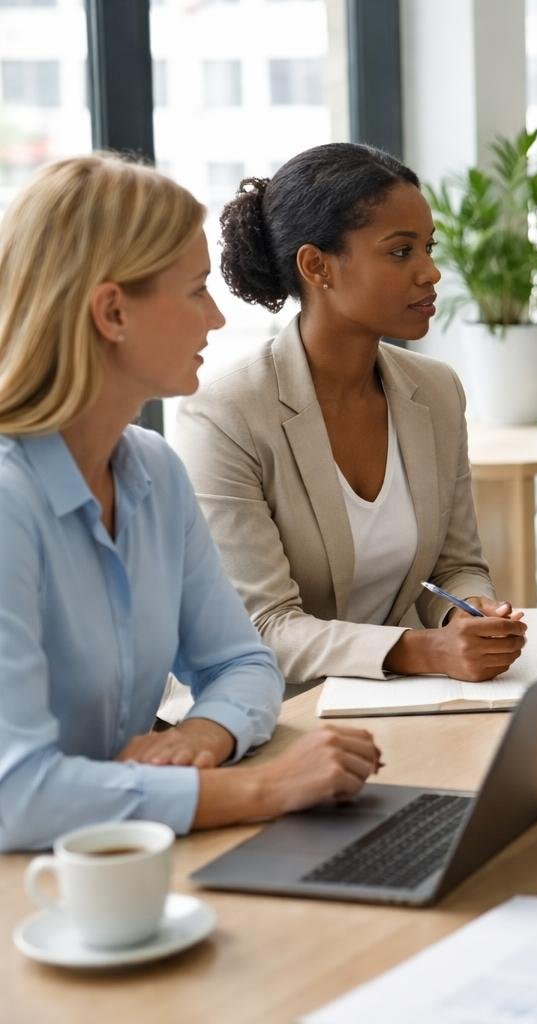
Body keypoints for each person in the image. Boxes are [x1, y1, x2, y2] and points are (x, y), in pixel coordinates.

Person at [0, 155, 382, 851]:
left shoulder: (153, 471)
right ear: (113, 311)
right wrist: (263, 788)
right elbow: (15, 795)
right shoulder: (8, 502)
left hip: (119, 858)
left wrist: (206, 733)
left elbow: (242, 664)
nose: (214, 318)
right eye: (196, 291)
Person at [175, 143, 525, 688]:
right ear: (317, 266)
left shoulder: (435, 392)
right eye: (400, 252)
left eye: (428, 248)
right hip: (275, 713)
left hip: (407, 705)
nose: (431, 272)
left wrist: (471, 614)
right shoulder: (226, 414)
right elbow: (264, 627)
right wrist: (426, 650)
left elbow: (454, 565)